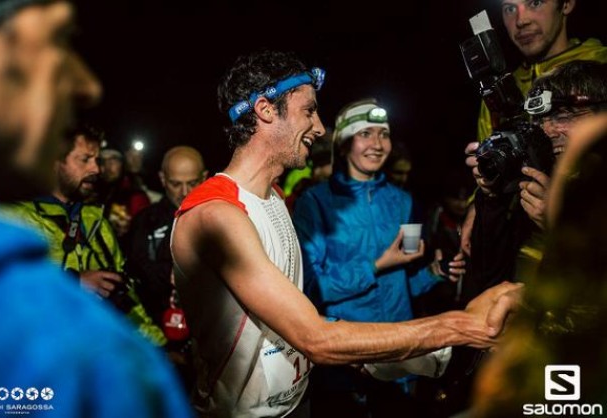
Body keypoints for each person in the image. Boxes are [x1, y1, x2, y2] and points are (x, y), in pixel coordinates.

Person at [170, 49, 521, 418]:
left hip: (297, 403)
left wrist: (414, 354)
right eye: (309, 110)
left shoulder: (273, 198)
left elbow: (298, 323)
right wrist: (465, 325)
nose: (320, 127)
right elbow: (315, 338)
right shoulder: (217, 214)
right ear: (265, 110)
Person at [0, 1, 192, 417]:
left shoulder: (94, 217)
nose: (87, 85)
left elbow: (124, 289)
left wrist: (158, 345)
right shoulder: (82, 357)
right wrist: (76, 285)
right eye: (59, 39)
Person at [292, 98, 461, 417]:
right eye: (365, 134)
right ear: (343, 144)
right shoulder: (314, 203)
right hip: (346, 364)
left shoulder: (403, 200)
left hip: (399, 360)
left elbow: (403, 285)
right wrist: (376, 265)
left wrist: (434, 272)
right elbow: (311, 288)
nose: (377, 144)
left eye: (383, 135)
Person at [472, 113, 607, 418]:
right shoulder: (530, 198)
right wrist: (490, 200)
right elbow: (488, 277)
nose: (550, 130)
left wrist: (563, 231)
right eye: (545, 119)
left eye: (566, 116)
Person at [461, 0, 607, 257]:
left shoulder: (601, 67)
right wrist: (479, 202)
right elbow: (492, 158)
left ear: (567, 4)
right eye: (509, 8)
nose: (521, 20)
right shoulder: (499, 91)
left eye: (535, 2)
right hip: (521, 251)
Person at [7, 125, 166, 345]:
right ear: (54, 161)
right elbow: (2, 296)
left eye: (97, 159)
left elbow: (125, 298)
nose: (96, 169)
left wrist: (160, 348)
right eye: (85, 159)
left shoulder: (95, 219)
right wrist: (74, 281)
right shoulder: (15, 219)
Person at [128, 145, 207, 329]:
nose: (185, 192)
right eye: (176, 184)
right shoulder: (145, 221)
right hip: (157, 330)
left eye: (193, 183)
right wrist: (169, 274)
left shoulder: (219, 218)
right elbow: (134, 270)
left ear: (204, 178)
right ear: (163, 179)